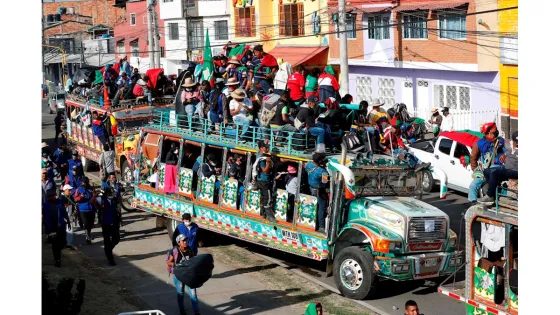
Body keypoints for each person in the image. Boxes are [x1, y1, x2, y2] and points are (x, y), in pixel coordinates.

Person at [468, 122, 506, 205]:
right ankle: (473, 204)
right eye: (494, 132)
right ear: (487, 133)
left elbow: (510, 151)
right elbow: (473, 158)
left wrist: (505, 155)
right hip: (486, 171)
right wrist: (476, 171)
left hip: (500, 169)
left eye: (497, 131)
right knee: (473, 186)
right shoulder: (479, 144)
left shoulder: (501, 141)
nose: (496, 133)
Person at [478, 131, 518, 205]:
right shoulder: (509, 144)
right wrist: (505, 154)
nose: (517, 145)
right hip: (506, 169)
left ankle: (489, 196)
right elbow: (502, 143)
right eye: (516, 143)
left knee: (495, 173)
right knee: (486, 171)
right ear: (513, 141)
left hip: (515, 171)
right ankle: (492, 193)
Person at [167, 234, 200, 315]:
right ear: (179, 242)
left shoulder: (190, 249)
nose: (185, 242)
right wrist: (177, 266)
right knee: (180, 293)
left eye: (186, 240)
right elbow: (169, 262)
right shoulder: (174, 251)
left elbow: (192, 260)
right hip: (178, 276)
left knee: (193, 294)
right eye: (183, 241)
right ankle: (182, 311)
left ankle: (196, 312)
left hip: (189, 275)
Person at [43, 187, 71, 268]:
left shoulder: (59, 202)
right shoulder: (45, 205)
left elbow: (64, 212)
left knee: (63, 242)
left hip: (61, 226)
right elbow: (43, 216)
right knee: (54, 245)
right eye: (49, 196)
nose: (50, 197)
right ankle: (57, 259)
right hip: (51, 227)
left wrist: (68, 221)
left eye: (52, 195)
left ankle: (57, 253)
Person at [95, 185, 121, 266]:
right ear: (106, 194)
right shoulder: (101, 199)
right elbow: (92, 202)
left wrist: (118, 193)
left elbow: (119, 201)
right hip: (105, 224)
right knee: (107, 241)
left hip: (114, 222)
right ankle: (110, 259)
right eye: (110, 193)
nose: (111, 195)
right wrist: (99, 207)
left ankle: (108, 250)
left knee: (116, 239)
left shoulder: (113, 199)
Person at [306, 153, 329, 233]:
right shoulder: (323, 171)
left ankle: (312, 224)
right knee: (321, 208)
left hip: (311, 189)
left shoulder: (308, 165)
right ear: (320, 161)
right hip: (319, 191)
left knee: (312, 207)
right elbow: (325, 182)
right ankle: (321, 226)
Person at [254, 140, 276, 222]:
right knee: (268, 199)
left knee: (263, 198)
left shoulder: (259, 154)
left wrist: (263, 141)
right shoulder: (262, 159)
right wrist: (268, 162)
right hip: (264, 181)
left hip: (260, 180)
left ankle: (263, 214)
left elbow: (259, 146)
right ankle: (270, 217)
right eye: (266, 147)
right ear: (262, 148)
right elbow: (265, 171)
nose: (268, 149)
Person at [74, 177, 97, 244]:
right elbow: (75, 199)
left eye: (86, 183)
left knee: (91, 224)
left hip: (91, 209)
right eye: (83, 183)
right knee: (86, 223)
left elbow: (95, 196)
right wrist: (81, 197)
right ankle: (88, 236)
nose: (84, 185)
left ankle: (88, 233)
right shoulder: (79, 189)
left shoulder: (91, 188)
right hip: (82, 209)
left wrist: (95, 197)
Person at [60, 184, 76, 249]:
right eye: (69, 190)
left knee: (70, 230)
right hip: (63, 218)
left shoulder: (71, 197)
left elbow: (73, 206)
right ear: (65, 190)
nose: (70, 191)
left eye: (70, 190)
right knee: (63, 231)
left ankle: (69, 244)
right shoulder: (61, 198)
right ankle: (64, 243)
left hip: (70, 217)